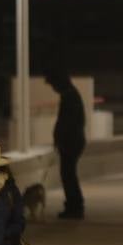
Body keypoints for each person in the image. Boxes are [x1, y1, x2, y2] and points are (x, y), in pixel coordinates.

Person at [46, 68, 86, 220]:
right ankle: (74, 205)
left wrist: (61, 139)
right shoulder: (70, 95)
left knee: (68, 175)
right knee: (69, 174)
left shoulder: (69, 97)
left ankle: (75, 206)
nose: (53, 88)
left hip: (71, 142)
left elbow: (67, 123)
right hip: (72, 141)